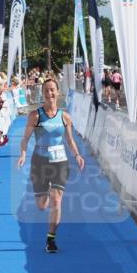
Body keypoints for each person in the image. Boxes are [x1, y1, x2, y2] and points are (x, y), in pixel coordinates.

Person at [17, 78, 84, 253]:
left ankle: (51, 239)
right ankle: (45, 190)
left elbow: (69, 140)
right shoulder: (36, 115)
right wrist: (23, 153)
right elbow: (25, 139)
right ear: (43, 93)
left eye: (52, 90)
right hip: (40, 161)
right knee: (42, 205)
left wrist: (77, 155)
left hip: (60, 161)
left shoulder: (65, 117)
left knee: (56, 200)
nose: (49, 94)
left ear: (58, 92)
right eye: (46, 91)